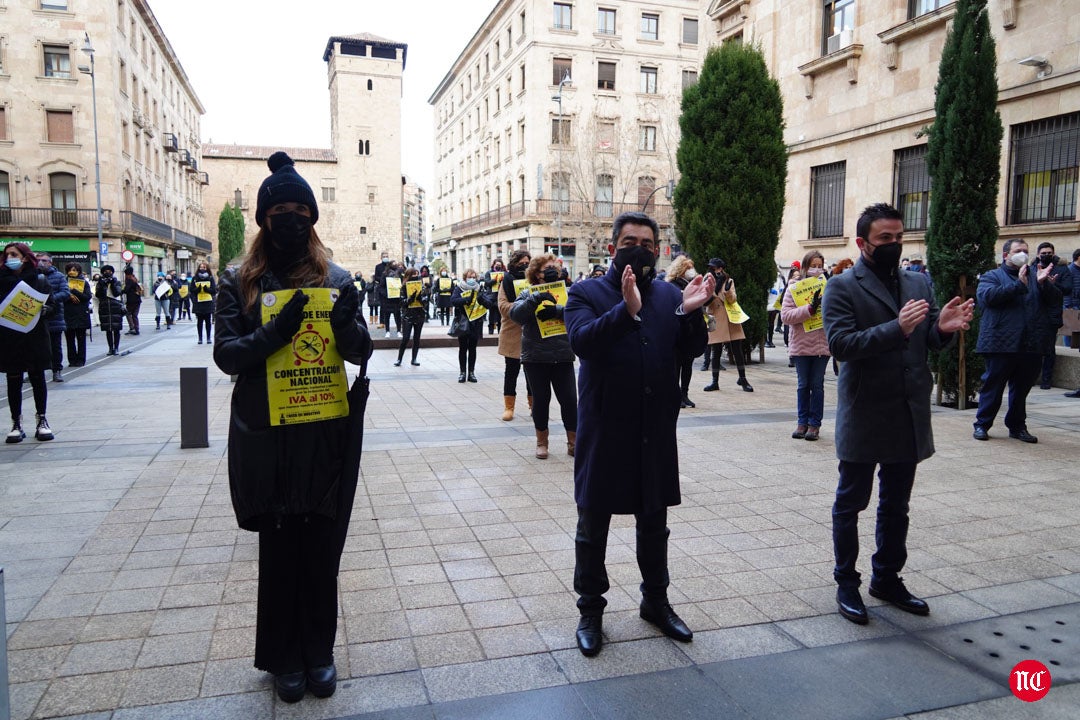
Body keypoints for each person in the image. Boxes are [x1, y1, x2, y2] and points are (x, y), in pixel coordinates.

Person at [213, 152, 372, 704]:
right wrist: (274, 334)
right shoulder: (238, 280)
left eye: (299, 208)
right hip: (266, 433)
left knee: (320, 545)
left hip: (322, 430)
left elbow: (361, 351)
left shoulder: (339, 280)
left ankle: (318, 651)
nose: (289, 217)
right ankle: (283, 657)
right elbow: (227, 356)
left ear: (312, 217)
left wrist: (346, 327)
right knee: (280, 548)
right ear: (262, 218)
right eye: (278, 208)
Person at [564, 211, 714, 657]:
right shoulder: (585, 292)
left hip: (654, 429)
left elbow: (692, 350)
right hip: (606, 430)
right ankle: (590, 610)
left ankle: (656, 601)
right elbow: (582, 342)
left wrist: (689, 313)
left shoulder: (668, 293)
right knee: (593, 527)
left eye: (648, 242)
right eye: (630, 240)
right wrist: (625, 311)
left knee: (655, 524)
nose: (641, 248)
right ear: (612, 248)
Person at [822, 203, 973, 625]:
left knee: (896, 504)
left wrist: (941, 327)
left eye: (899, 237)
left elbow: (923, 341)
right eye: (884, 239)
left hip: (908, 410)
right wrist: (897, 329)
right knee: (850, 503)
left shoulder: (917, 283)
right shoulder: (842, 286)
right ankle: (846, 583)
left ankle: (887, 577)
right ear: (862, 243)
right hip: (865, 410)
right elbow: (841, 345)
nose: (893, 245)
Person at [972, 238, 1062, 443]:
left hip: (1030, 343)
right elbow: (987, 298)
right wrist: (1017, 285)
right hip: (1000, 342)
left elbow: (1055, 300)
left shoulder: (1036, 276)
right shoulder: (991, 276)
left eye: (1026, 251)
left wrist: (1044, 285)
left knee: (1021, 390)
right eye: (1018, 250)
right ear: (1006, 255)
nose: (1023, 254)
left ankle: (1017, 426)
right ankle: (982, 424)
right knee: (993, 386)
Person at [510, 254, 577, 458]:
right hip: (535, 356)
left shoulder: (567, 292)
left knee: (569, 400)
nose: (549, 273)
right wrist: (536, 298)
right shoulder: (527, 293)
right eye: (544, 270)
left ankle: (573, 441)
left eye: (553, 269)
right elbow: (516, 315)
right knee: (541, 400)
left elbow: (578, 314)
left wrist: (557, 310)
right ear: (535, 274)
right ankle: (542, 442)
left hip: (563, 354)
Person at [2, 243, 58, 442]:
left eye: (14, 254)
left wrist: (44, 310)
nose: (9, 258)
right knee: (13, 379)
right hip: (10, 337)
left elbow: (52, 305)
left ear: (25, 257)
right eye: (7, 255)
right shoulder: (1, 280)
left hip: (34, 336)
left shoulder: (39, 279)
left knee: (37, 378)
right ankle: (16, 422)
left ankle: (42, 419)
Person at [781, 251, 830, 441]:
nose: (816, 269)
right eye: (813, 265)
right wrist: (809, 309)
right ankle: (802, 422)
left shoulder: (830, 286)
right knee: (803, 385)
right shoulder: (794, 288)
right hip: (801, 344)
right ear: (804, 267)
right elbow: (786, 316)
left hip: (822, 344)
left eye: (820, 265)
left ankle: (814, 424)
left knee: (817, 385)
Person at [703, 258, 753, 392]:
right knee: (716, 350)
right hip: (714, 317)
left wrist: (728, 292)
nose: (715, 270)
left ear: (721, 268)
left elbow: (733, 299)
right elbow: (704, 300)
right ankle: (714, 382)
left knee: (737, 349)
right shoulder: (707, 280)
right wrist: (712, 291)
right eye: (712, 268)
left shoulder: (729, 281)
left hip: (730, 316)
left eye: (717, 268)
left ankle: (743, 379)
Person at [497, 249, 532, 420]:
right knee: (511, 372)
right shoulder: (507, 281)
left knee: (532, 374)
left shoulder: (534, 280)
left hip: (532, 335)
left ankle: (534, 406)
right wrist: (522, 308)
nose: (524, 266)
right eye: (521, 263)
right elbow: (502, 306)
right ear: (514, 263)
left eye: (527, 263)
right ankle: (509, 407)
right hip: (512, 333)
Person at [1033, 242, 1072, 389]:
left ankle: (1046, 380)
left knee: (1049, 348)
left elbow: (1068, 289)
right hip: (1034, 313)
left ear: (1054, 253)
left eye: (1049, 253)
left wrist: (1053, 284)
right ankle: (1032, 376)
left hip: (1051, 315)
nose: (1046, 255)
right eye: (1043, 253)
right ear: (1038, 254)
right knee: (1033, 347)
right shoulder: (1033, 268)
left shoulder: (1062, 269)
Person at [664, 255, 699, 408]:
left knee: (688, 364)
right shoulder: (672, 285)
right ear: (681, 269)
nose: (691, 271)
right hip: (676, 329)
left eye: (692, 268)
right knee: (676, 365)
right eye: (688, 268)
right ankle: (676, 394)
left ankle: (685, 394)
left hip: (690, 330)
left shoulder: (692, 284)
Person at [450, 268, 495, 382]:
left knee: (473, 348)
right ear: (465, 277)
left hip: (476, 322)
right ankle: (462, 372)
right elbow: (453, 301)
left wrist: (482, 300)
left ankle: (471, 372)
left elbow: (489, 303)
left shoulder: (479, 289)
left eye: (474, 277)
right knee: (463, 348)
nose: (472, 279)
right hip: (463, 322)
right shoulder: (459, 288)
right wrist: (466, 300)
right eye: (470, 277)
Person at [35, 253, 70, 382]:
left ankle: (57, 370)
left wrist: (48, 300)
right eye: (38, 260)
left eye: (44, 260)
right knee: (36, 346)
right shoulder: (32, 276)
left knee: (55, 346)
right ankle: (35, 370)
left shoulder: (59, 276)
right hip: (35, 317)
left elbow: (65, 293)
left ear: (50, 262)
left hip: (54, 316)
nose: (41, 263)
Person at [394, 267, 429, 366]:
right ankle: (399, 359)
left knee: (417, 338)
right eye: (414, 274)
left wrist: (420, 298)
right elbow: (401, 302)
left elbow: (426, 301)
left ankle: (414, 358)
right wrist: (410, 298)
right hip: (408, 315)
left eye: (417, 274)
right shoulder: (404, 287)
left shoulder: (421, 287)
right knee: (405, 338)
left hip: (419, 314)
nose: (416, 276)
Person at [63, 262, 92, 368]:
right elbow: (60, 296)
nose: (72, 272)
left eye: (75, 270)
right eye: (70, 270)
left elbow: (87, 297)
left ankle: (80, 359)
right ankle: (72, 359)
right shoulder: (64, 282)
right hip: (68, 314)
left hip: (81, 314)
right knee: (69, 339)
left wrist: (74, 291)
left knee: (81, 339)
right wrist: (69, 295)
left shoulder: (84, 282)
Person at [95, 264, 125, 355]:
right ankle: (110, 348)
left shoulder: (117, 282)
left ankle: (116, 348)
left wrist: (112, 284)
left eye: (110, 271)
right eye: (105, 271)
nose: (108, 273)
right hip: (105, 307)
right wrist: (102, 284)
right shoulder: (100, 283)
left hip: (115, 307)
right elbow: (98, 295)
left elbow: (117, 293)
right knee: (108, 329)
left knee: (116, 329)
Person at [190, 261, 217, 345]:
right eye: (201, 267)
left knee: (208, 321)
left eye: (204, 267)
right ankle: (200, 338)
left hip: (208, 302)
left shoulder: (210, 278)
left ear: (207, 268)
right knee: (200, 321)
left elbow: (214, 290)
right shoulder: (195, 278)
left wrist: (207, 289)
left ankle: (208, 337)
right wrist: (197, 290)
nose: (202, 269)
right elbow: (191, 290)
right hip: (199, 302)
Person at [378, 261, 403, 337]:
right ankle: (387, 331)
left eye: (396, 264)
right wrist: (385, 294)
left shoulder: (399, 274)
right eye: (393, 264)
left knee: (397, 315)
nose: (395, 265)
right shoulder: (385, 274)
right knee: (387, 315)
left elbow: (402, 283)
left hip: (396, 298)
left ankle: (399, 330)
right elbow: (381, 286)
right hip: (387, 298)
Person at [485, 258, 506, 334]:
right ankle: (490, 330)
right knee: (491, 314)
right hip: (491, 296)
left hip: (500, 296)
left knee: (499, 315)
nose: (498, 266)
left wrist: (502, 280)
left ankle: (500, 330)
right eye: (497, 265)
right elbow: (486, 283)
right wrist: (494, 280)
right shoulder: (489, 273)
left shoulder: (504, 273)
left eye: (499, 265)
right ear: (494, 265)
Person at [122, 266, 143, 336]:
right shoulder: (135, 278)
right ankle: (136, 329)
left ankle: (132, 328)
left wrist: (121, 291)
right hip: (138, 300)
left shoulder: (129, 280)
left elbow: (126, 290)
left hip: (131, 300)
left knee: (128, 314)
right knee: (134, 315)